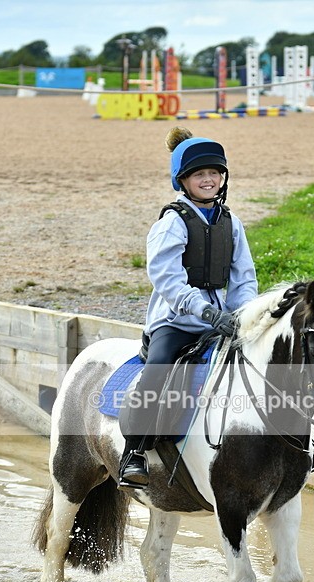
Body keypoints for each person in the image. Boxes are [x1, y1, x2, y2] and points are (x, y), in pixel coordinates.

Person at [117, 127, 258, 488]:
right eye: (199, 175)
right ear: (182, 181)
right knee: (158, 369)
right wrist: (206, 311)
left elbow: (244, 277)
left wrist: (241, 315)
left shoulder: (232, 223)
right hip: (175, 320)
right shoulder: (171, 223)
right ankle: (134, 452)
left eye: (214, 173)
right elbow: (167, 280)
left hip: (221, 320)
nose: (208, 180)